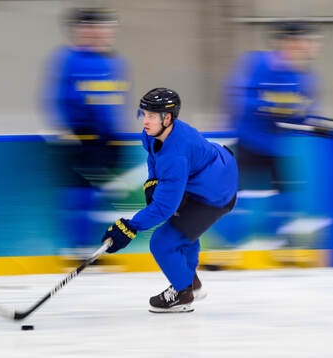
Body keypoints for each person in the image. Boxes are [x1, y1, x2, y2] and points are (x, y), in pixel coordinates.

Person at [100, 88, 238, 312]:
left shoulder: (176, 156)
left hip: (216, 193)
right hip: (204, 177)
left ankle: (183, 293)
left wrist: (130, 226)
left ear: (168, 118)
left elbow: (164, 207)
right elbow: (153, 156)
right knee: (180, 229)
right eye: (143, 114)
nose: (145, 121)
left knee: (163, 241)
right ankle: (190, 281)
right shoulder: (154, 133)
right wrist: (152, 182)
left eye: (151, 116)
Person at [41, 8, 130, 261]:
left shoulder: (113, 62)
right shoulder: (68, 59)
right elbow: (59, 99)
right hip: (81, 140)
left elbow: (115, 102)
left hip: (106, 141)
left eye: (104, 27)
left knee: (99, 194)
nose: (99, 33)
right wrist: (70, 130)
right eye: (91, 27)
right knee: (80, 192)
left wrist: (115, 136)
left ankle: (94, 246)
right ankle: (78, 246)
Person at [223, 22, 322, 192]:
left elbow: (305, 113)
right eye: (309, 41)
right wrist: (279, 106)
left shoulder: (306, 77)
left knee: (287, 201)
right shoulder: (258, 63)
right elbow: (241, 101)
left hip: (285, 152)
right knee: (251, 201)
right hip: (252, 147)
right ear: (291, 42)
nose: (314, 46)